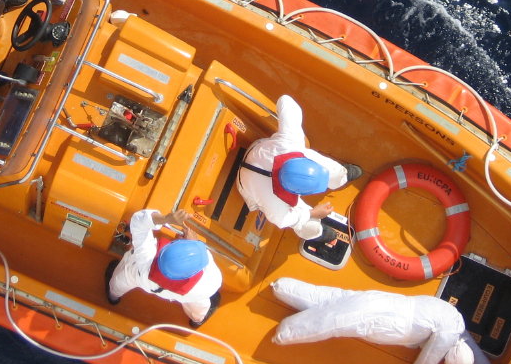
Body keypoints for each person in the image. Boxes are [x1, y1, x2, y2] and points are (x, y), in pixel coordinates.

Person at [269, 278, 500, 364]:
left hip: (380, 302)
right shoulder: (449, 336)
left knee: (333, 300)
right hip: (382, 320)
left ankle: (281, 287)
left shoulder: (457, 324)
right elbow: (425, 363)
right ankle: (285, 332)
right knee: (333, 322)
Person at [236, 94, 361, 240]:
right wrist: (312, 213)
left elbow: (286, 101)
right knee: (300, 220)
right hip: (247, 187)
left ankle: (342, 176)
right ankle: (317, 231)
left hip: (255, 164)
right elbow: (283, 220)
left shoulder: (290, 141)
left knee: (328, 170)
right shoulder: (276, 204)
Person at [106, 209, 223, 328]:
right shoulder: (210, 284)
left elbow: (138, 221)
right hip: (188, 294)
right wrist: (193, 242)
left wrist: (166, 219)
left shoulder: (147, 259)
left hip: (141, 277)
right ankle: (197, 320)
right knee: (200, 305)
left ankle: (113, 297)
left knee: (120, 281)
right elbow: (206, 262)